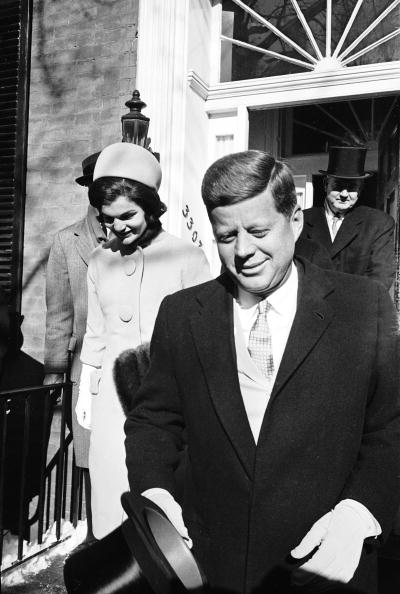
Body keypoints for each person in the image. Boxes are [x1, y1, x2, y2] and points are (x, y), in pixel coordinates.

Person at [125, 150, 400, 594]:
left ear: (294, 221)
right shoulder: (181, 314)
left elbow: (391, 428)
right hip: (212, 569)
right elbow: (154, 419)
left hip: (326, 566)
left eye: (258, 231)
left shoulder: (363, 305)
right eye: (226, 236)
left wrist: (361, 514)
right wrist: (154, 493)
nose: (243, 252)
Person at [76, 142, 210, 540]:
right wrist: (87, 387)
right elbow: (96, 331)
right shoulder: (100, 261)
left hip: (171, 405)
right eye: (108, 219)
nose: (118, 228)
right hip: (110, 410)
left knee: (161, 508)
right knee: (110, 503)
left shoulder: (187, 258)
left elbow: (205, 339)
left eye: (128, 216)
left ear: (151, 207)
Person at [43, 152, 106, 466]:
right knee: (89, 458)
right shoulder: (67, 240)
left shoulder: (138, 238)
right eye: (98, 185)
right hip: (85, 369)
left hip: (131, 370)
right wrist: (54, 370)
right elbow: (59, 314)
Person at [297, 145, 395, 289]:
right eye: (337, 185)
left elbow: (380, 279)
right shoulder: (301, 220)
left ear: (360, 189)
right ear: (325, 184)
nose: (344, 194)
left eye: (352, 187)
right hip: (309, 308)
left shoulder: (378, 224)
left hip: (355, 308)